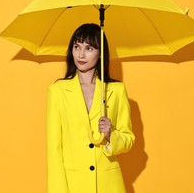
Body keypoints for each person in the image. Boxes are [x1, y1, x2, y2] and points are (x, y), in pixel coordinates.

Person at [46, 23, 135, 193]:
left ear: (101, 53)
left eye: (89, 48)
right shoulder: (57, 91)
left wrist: (111, 135)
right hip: (72, 186)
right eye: (77, 47)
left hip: (109, 185)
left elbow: (128, 139)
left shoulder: (116, 90)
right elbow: (54, 151)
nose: (81, 54)